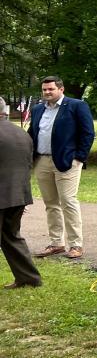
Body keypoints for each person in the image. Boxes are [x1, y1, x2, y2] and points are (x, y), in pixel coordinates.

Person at [29, 76, 95, 261]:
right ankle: (56, 243)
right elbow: (32, 134)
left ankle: (76, 245)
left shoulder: (76, 106)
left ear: (61, 89)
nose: (47, 92)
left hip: (67, 162)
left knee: (68, 201)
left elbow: (88, 133)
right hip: (42, 161)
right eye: (44, 90)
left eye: (51, 89)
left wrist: (79, 158)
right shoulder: (37, 109)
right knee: (51, 204)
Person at [0, 98, 42, 288]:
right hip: (18, 195)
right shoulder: (22, 134)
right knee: (11, 236)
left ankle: (28, 278)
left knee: (10, 236)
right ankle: (28, 278)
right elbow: (27, 165)